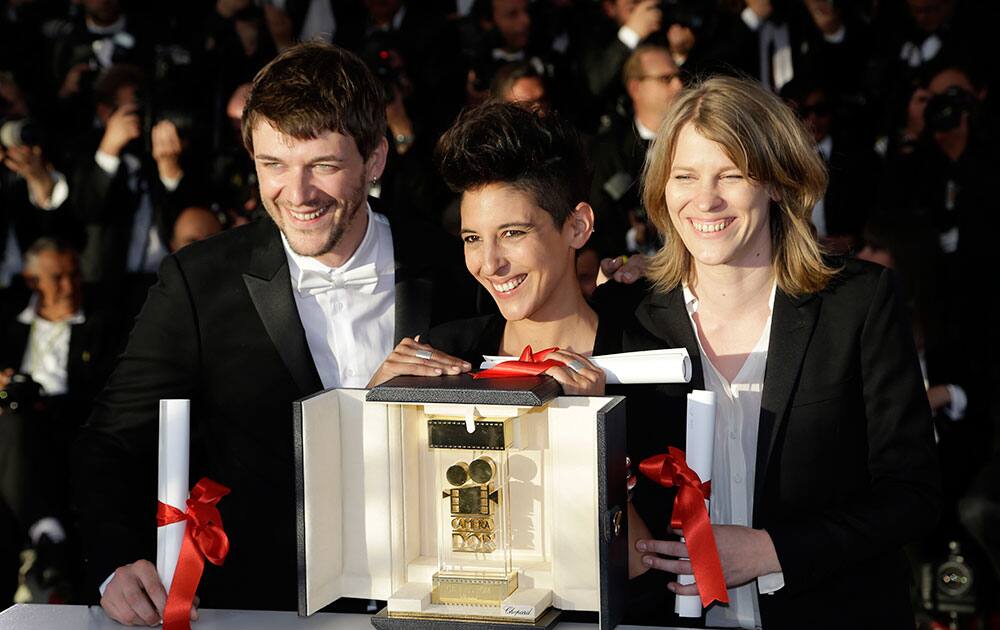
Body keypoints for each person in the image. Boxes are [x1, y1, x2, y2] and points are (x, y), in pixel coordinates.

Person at [73, 42, 476, 625]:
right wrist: (115, 561)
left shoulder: (454, 268)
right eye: (274, 165)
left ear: (376, 159)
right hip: (262, 606)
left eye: (323, 165)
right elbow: (110, 439)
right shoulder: (200, 282)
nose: (297, 192)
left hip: (436, 601)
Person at [618, 75, 939, 628]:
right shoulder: (625, 316)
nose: (706, 199)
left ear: (776, 182)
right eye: (685, 176)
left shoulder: (858, 303)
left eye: (732, 175)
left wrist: (771, 550)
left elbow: (914, 495)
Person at [367, 101, 605, 396]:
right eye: (473, 239)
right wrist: (375, 406)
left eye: (512, 233)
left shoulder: (656, 363)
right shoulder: (443, 358)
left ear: (577, 227)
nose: (490, 265)